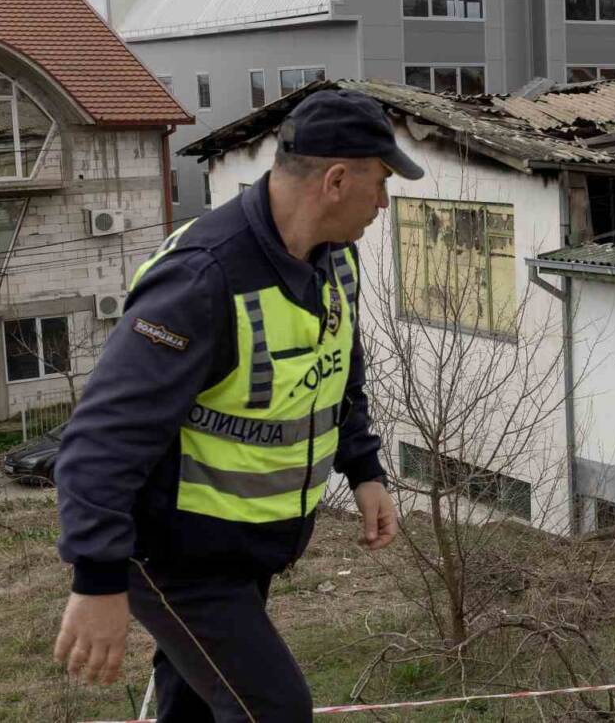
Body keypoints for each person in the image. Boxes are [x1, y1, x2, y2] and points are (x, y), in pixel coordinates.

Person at [53, 90, 423, 721]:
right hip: (176, 557)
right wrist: (97, 580)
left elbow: (337, 369)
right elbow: (102, 438)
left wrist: (363, 467)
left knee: (195, 706)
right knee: (274, 709)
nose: (384, 204)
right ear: (336, 179)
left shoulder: (335, 260)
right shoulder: (205, 277)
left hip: (247, 549)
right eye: (381, 182)